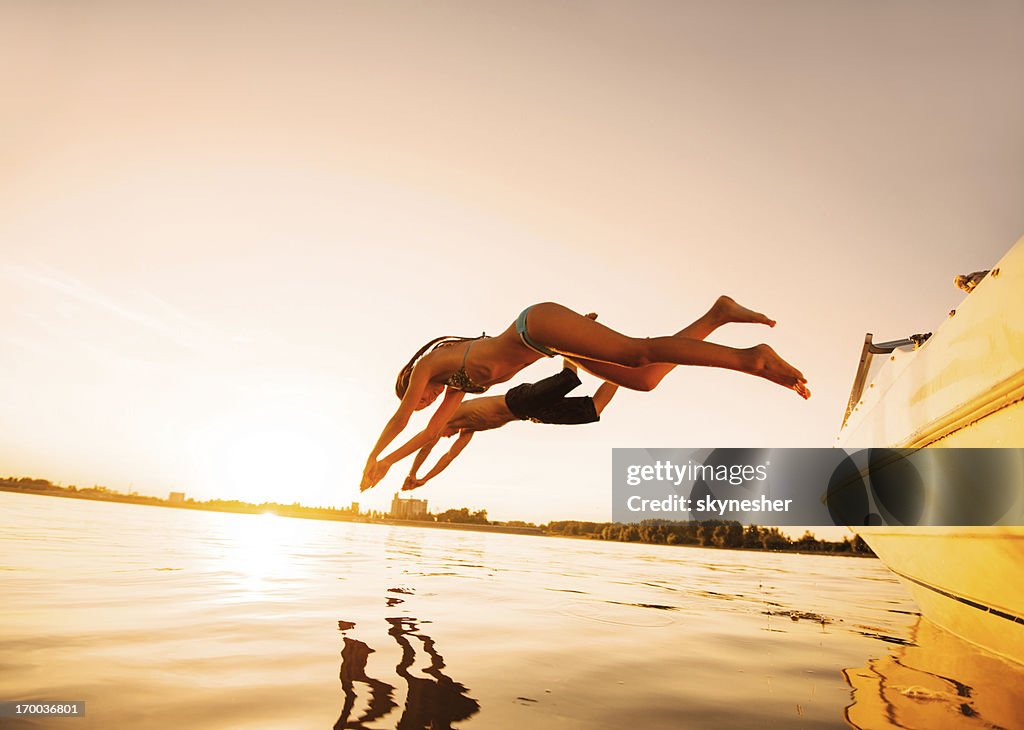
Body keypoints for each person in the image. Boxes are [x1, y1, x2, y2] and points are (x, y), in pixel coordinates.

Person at [362, 296, 809, 490]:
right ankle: (718, 314)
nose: (419, 405)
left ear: (411, 379)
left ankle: (753, 358)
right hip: (549, 343)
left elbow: (402, 423)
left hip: (535, 324)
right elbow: (425, 436)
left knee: (636, 353)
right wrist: (393, 468)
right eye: (420, 402)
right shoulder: (458, 391)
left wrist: (375, 458)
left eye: (414, 396)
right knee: (643, 378)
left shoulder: (432, 364)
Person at [396, 356, 619, 492]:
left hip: (520, 399)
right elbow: (448, 457)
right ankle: (624, 373)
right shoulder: (468, 430)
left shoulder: (451, 414)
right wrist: (424, 479)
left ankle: (573, 341)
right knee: (594, 409)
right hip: (532, 413)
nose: (442, 437)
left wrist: (412, 473)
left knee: (568, 378)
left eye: (440, 434)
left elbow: (426, 446)